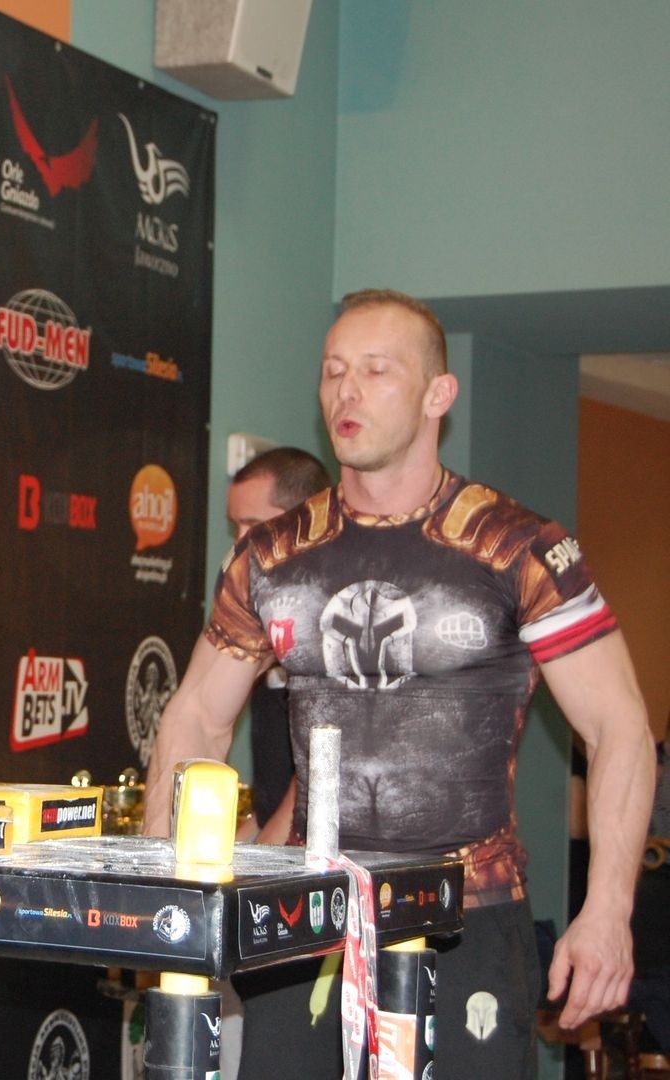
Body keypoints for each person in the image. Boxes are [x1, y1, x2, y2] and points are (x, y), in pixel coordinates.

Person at [144, 289, 655, 1078]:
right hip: (309, 918)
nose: (346, 391)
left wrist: (609, 909)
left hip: (467, 919)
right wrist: (159, 884)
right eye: (333, 371)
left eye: (376, 371)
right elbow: (196, 718)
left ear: (437, 394)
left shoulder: (518, 547)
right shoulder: (272, 555)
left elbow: (618, 727)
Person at [225, 446, 331, 840]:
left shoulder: (332, 615)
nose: (240, 542)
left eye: (254, 526)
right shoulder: (259, 607)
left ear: (307, 523)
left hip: (318, 848)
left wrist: (267, 852)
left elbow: (315, 772)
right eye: (235, 526)